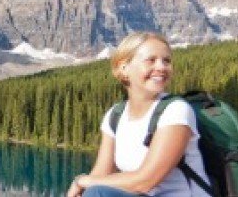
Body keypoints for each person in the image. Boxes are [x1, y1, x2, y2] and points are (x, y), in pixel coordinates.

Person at [66, 32, 211, 197]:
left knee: (97, 192)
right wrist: (84, 184)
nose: (161, 67)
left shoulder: (176, 110)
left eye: (167, 61)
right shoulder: (115, 116)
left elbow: (145, 181)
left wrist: (82, 181)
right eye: (151, 60)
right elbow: (99, 175)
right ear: (124, 68)